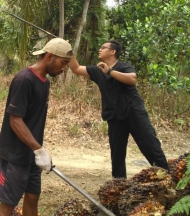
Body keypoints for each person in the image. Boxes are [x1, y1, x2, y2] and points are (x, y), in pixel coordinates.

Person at [0, 38, 73, 216]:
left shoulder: (44, 82)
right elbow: (15, 120)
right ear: (50, 57)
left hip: (32, 155)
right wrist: (38, 149)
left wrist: (37, 151)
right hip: (15, 155)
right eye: (63, 63)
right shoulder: (24, 80)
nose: (64, 68)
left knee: (32, 197)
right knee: (8, 204)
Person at [68, 40, 169, 178]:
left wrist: (109, 71)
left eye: (103, 47)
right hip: (114, 117)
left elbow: (132, 79)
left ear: (113, 51)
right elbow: (76, 68)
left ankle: (168, 180)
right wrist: (68, 51)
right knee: (117, 155)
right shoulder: (97, 71)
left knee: (150, 147)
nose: (100, 49)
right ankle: (119, 188)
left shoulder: (123, 66)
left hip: (134, 113)